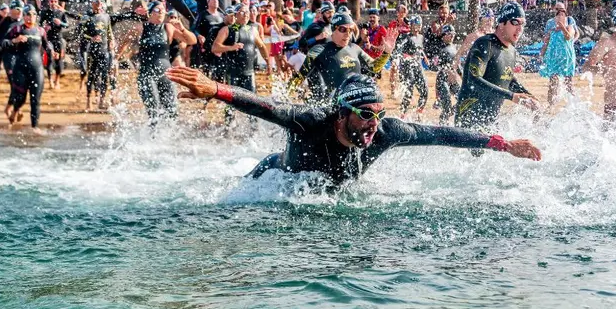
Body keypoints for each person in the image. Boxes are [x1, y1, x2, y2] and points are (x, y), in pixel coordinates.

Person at [165, 68, 542, 186]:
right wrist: (215, 89)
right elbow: (267, 106)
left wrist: (503, 144)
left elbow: (442, 134)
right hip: (274, 180)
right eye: (364, 115)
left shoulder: (387, 131)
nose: (372, 125)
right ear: (341, 113)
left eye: (378, 114)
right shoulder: (311, 122)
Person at [455, 2, 540, 131]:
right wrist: (512, 96)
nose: (520, 28)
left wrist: (531, 99)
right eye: (515, 22)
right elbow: (473, 80)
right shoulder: (485, 44)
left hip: (489, 123)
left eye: (522, 24)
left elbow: (508, 80)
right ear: (501, 23)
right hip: (468, 123)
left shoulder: (511, 51)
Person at [117, 0, 194, 125]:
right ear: (150, 12)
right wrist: (115, 59)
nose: (161, 13)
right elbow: (124, 43)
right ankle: (151, 140)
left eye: (163, 10)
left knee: (171, 110)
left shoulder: (168, 28)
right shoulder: (140, 28)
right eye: (157, 10)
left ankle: (166, 140)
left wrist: (182, 28)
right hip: (146, 75)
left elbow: (192, 41)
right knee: (154, 109)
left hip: (166, 74)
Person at [290, 12, 398, 101]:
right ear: (333, 29)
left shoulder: (355, 48)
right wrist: (284, 95)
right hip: (335, 105)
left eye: (350, 30)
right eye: (343, 29)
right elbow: (299, 76)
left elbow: (374, 68)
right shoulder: (319, 50)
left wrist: (386, 52)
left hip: (357, 101)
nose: (348, 34)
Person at [1, 4, 52, 133]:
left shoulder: (40, 31)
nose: (30, 17)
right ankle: (15, 111)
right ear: (24, 16)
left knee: (35, 99)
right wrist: (15, 40)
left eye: (33, 15)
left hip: (37, 68)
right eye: (28, 14)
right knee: (21, 98)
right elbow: (3, 43)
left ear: (36, 16)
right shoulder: (17, 29)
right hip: (20, 68)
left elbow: (47, 44)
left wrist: (52, 50)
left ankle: (35, 127)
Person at [539, 2, 578, 107]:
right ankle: (550, 105)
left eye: (562, 12)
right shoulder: (550, 23)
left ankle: (573, 105)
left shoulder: (570, 22)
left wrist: (562, 27)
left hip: (567, 57)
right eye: (558, 11)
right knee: (553, 82)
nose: (560, 15)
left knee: (568, 82)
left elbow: (569, 36)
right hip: (554, 56)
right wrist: (542, 53)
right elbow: (546, 40)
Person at [393, 15, 429, 118]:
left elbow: (419, 49)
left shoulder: (421, 37)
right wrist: (398, 60)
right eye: (415, 25)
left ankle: (418, 113)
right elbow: (398, 50)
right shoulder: (405, 37)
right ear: (411, 26)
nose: (417, 27)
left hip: (417, 65)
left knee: (425, 91)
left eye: (419, 25)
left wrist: (424, 57)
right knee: (409, 90)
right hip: (407, 66)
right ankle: (403, 114)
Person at [450, 7, 495, 86]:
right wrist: (454, 69)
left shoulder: (496, 35)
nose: (489, 20)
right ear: (481, 20)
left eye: (491, 18)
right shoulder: (475, 36)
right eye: (487, 18)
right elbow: (459, 53)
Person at [40, 0, 68, 89]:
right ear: (49, 2)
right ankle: (50, 81)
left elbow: (67, 25)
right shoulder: (44, 12)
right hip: (49, 39)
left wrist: (61, 23)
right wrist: (44, 27)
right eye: (51, 1)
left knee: (59, 60)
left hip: (59, 39)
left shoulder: (61, 13)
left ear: (57, 2)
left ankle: (57, 80)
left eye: (55, 1)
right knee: (50, 60)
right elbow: (39, 25)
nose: (53, 3)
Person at [0, 0, 25, 83]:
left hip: (22, 53)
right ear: (11, 10)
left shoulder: (25, 21)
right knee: (12, 77)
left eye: (21, 10)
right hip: (8, 52)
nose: (19, 13)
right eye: (17, 10)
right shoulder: (4, 21)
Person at [191, 0, 223, 74]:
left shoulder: (222, 16)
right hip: (207, 46)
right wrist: (199, 35)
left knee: (220, 70)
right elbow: (194, 28)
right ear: (208, 3)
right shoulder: (203, 15)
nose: (216, 2)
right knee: (207, 69)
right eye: (213, 0)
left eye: (217, 0)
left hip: (219, 45)